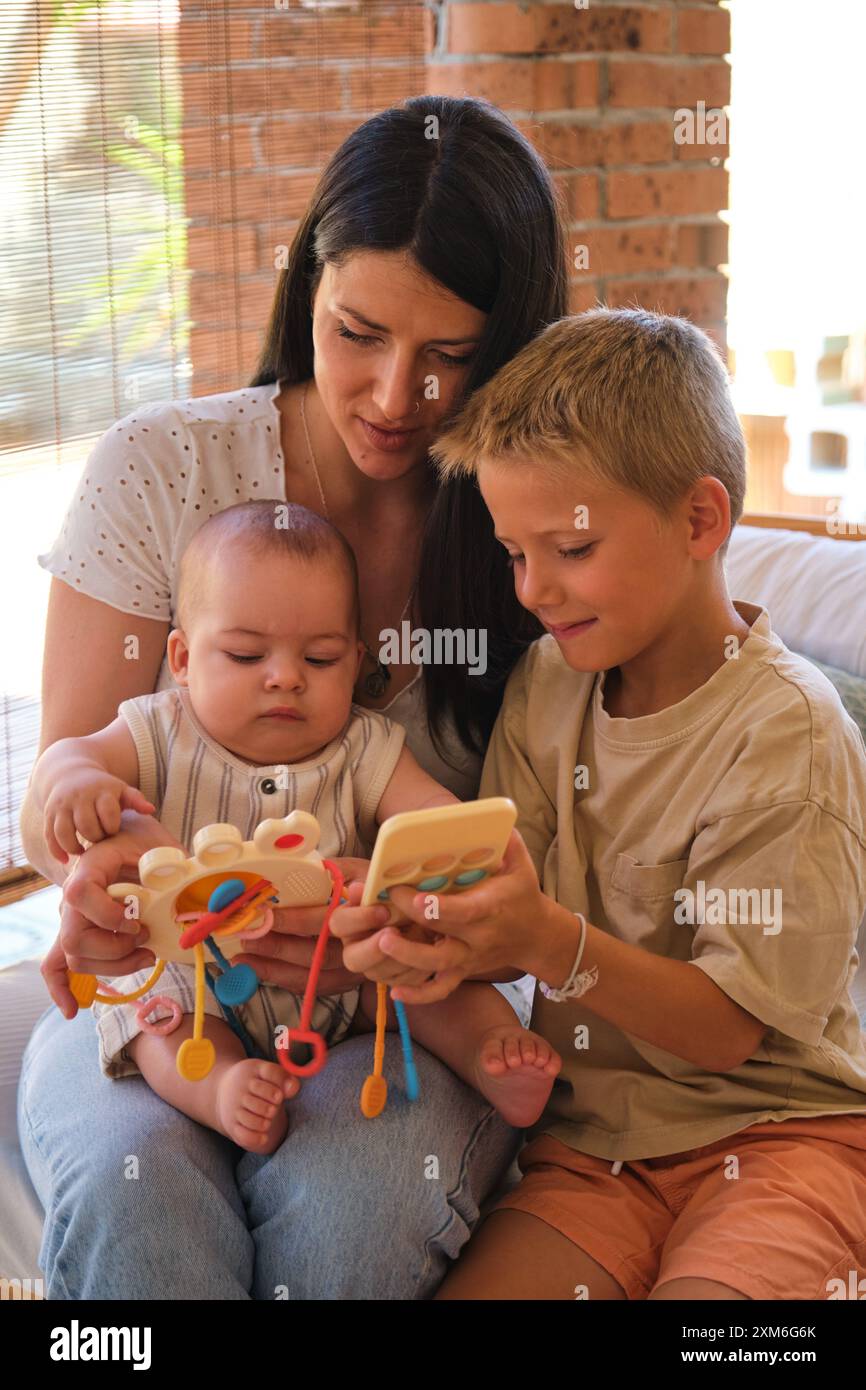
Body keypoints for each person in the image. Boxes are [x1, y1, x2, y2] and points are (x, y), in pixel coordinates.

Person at [18, 93, 569, 1299]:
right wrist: (151, 885)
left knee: (351, 1229)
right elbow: (68, 780)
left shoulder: (535, 519)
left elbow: (551, 847)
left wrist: (410, 924)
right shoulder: (164, 475)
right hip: (167, 991)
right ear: (304, 283)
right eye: (356, 332)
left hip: (392, 1007)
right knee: (144, 1212)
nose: (391, 395)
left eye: (450, 359)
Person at [331, 308, 866, 1302]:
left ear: (698, 521)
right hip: (595, 1155)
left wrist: (547, 939)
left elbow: (724, 1031)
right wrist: (421, 932)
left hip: (787, 1138)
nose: (532, 589)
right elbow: (500, 912)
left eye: (568, 551)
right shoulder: (547, 684)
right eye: (513, 554)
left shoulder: (786, 730)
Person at [31, 500, 561, 1151]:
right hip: (195, 976)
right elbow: (68, 753)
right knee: (153, 1023)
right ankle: (224, 1089)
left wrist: (444, 845)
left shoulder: (366, 746)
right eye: (247, 655)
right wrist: (76, 780)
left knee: (418, 982)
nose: (285, 678)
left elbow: (430, 816)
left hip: (339, 980)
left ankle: (488, 1054)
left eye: (320, 659)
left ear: (358, 660)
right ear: (184, 657)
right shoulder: (156, 729)